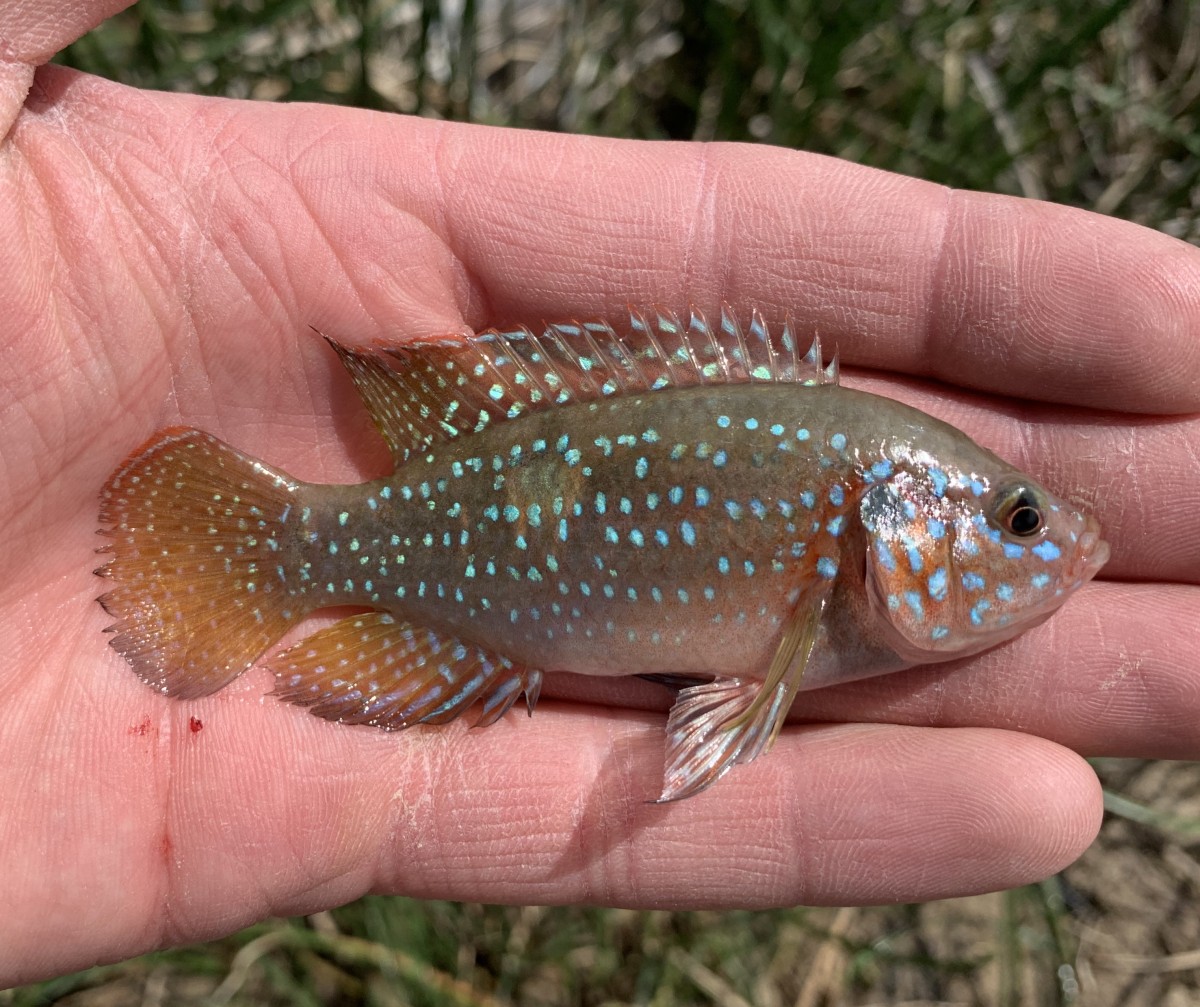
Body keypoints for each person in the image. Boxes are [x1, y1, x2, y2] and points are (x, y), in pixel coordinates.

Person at [2, 0, 1197, 988]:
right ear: (888, 515)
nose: (1055, 542)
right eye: (1017, 520)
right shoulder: (839, 491)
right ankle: (277, 552)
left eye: (1018, 515)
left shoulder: (849, 503)